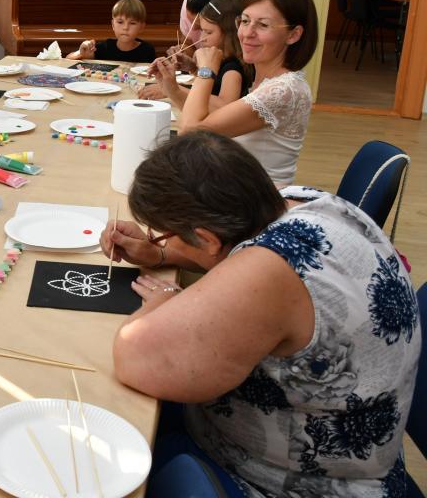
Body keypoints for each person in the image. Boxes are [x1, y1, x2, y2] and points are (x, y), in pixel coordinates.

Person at [102, 130, 420, 497]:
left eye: (162, 234)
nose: (158, 238)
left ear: (206, 238)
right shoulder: (298, 201)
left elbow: (135, 357)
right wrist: (160, 253)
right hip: (361, 451)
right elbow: (231, 251)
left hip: (311, 486)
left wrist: (166, 299)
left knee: (116, 438)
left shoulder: (269, 271)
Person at [178, 0, 317, 186]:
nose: (247, 33)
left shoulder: (284, 90)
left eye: (263, 25)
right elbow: (213, 117)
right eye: (244, 21)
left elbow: (189, 132)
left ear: (293, 34)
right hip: (239, 187)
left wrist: (206, 71)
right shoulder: (265, 80)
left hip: (256, 198)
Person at [139, 0, 251, 111]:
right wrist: (193, 68)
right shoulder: (221, 61)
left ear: (230, 33)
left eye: (208, 32)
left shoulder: (232, 69)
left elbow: (224, 106)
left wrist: (173, 89)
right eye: (202, 30)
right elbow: (214, 84)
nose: (202, 38)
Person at [172, 0, 257, 74]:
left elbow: (209, 81)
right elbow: (212, 78)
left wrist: (206, 69)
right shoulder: (191, 3)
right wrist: (192, 66)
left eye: (207, 31)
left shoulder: (232, 70)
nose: (200, 38)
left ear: (228, 28)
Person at [66, 0, 156, 63]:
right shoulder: (104, 47)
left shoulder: (147, 50)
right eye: (120, 22)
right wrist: (81, 53)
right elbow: (67, 59)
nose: (125, 27)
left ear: (141, 27)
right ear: (113, 24)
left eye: (132, 23)